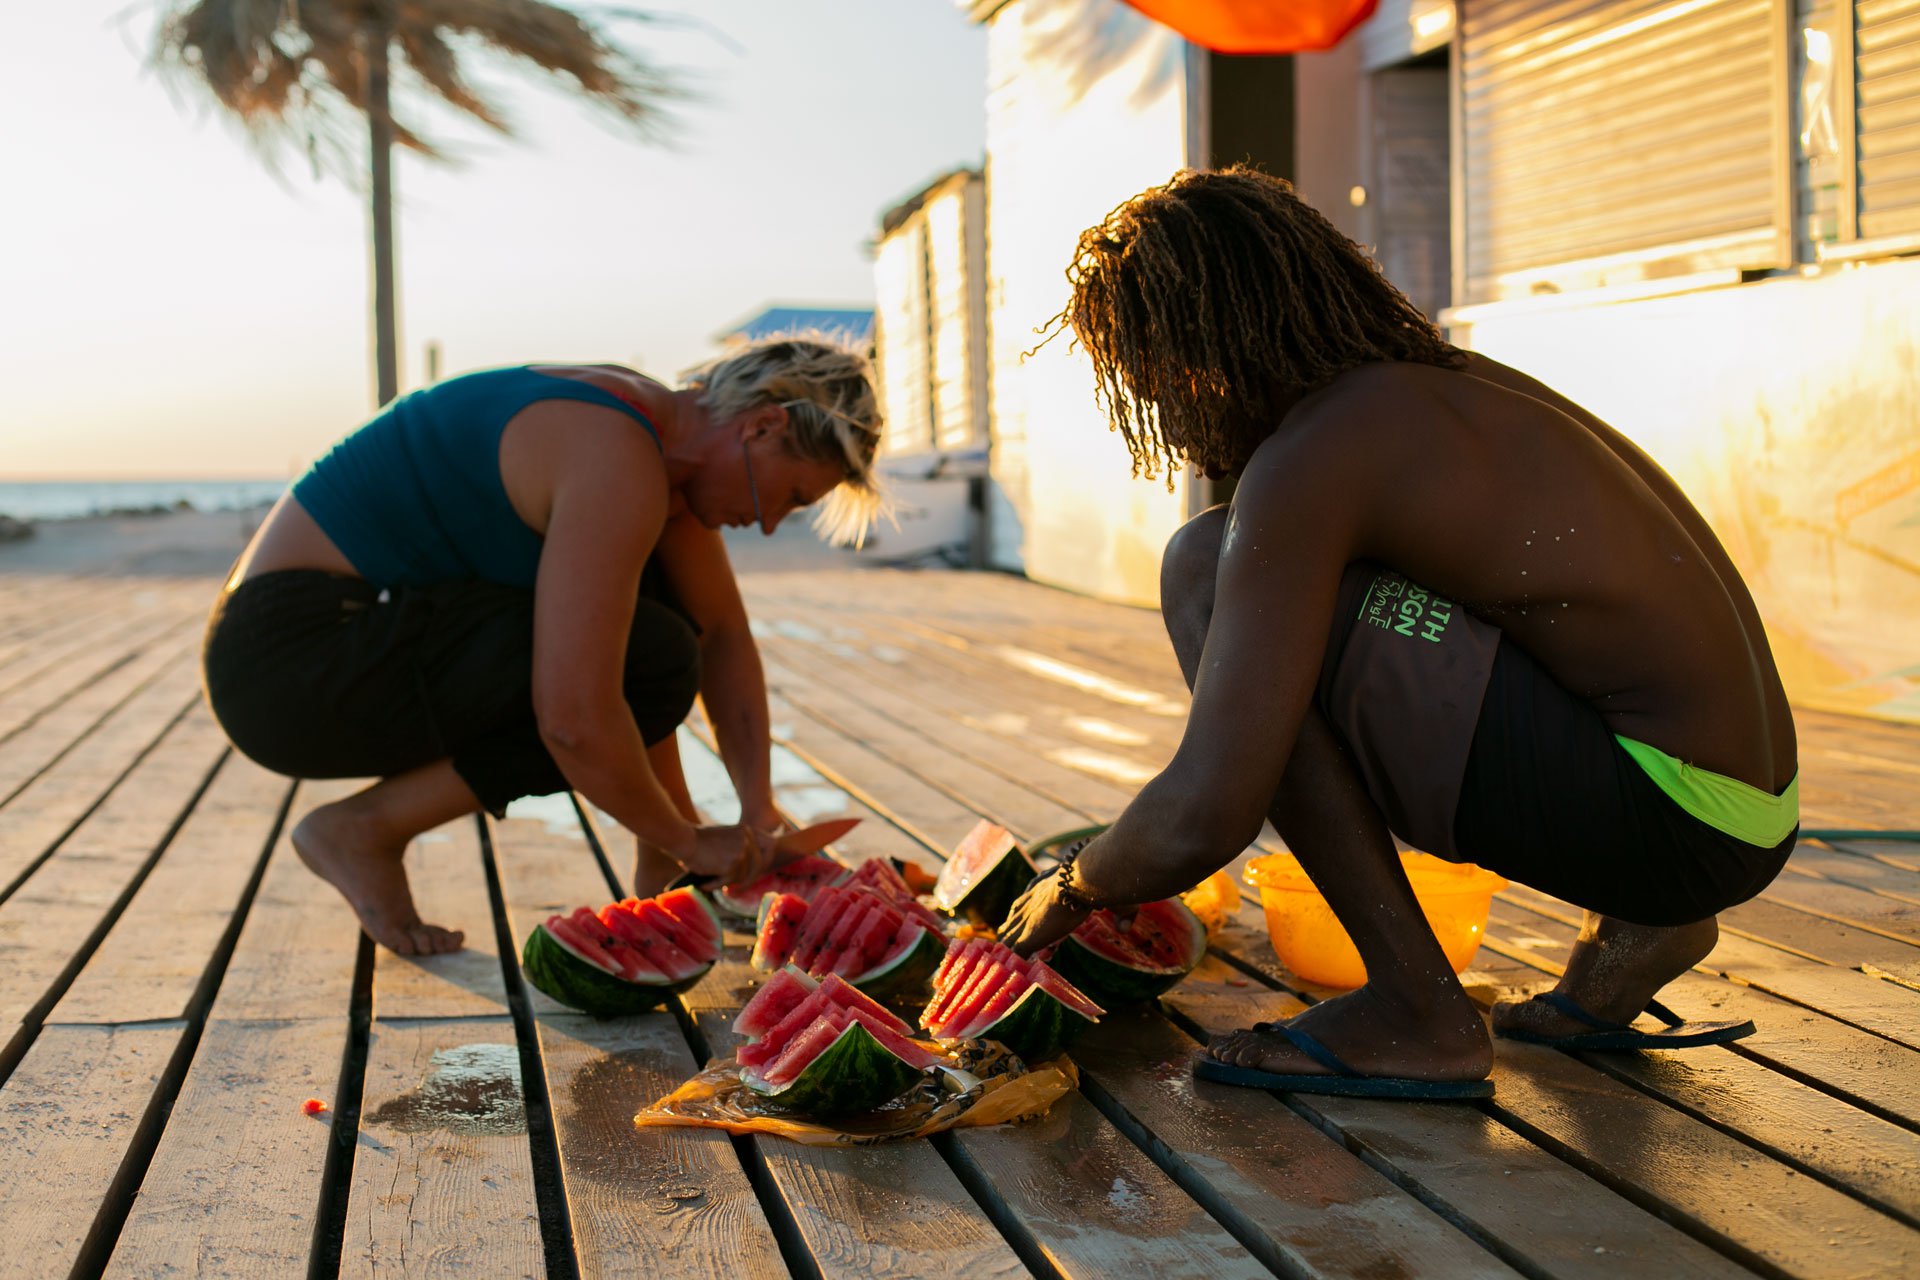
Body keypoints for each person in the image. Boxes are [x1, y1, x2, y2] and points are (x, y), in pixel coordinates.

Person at [999, 168, 1798, 1098]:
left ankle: (1417, 1010)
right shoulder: (1435, 388)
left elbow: (1208, 811)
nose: (1170, 421)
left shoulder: (1316, 456)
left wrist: (1074, 884)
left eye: (1150, 383)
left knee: (1205, 567)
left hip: (1673, 824)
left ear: (1195, 354)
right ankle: (1640, 929)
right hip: (1747, 810)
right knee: (1286, 594)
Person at [202, 338, 883, 956]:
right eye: (790, 497)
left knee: (651, 623)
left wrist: (758, 807)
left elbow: (723, 634)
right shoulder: (616, 459)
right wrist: (685, 839)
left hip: (316, 650)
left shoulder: (653, 439)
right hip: (290, 665)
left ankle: (662, 865)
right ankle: (368, 826)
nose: (769, 525)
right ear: (762, 425)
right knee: (645, 657)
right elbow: (574, 716)